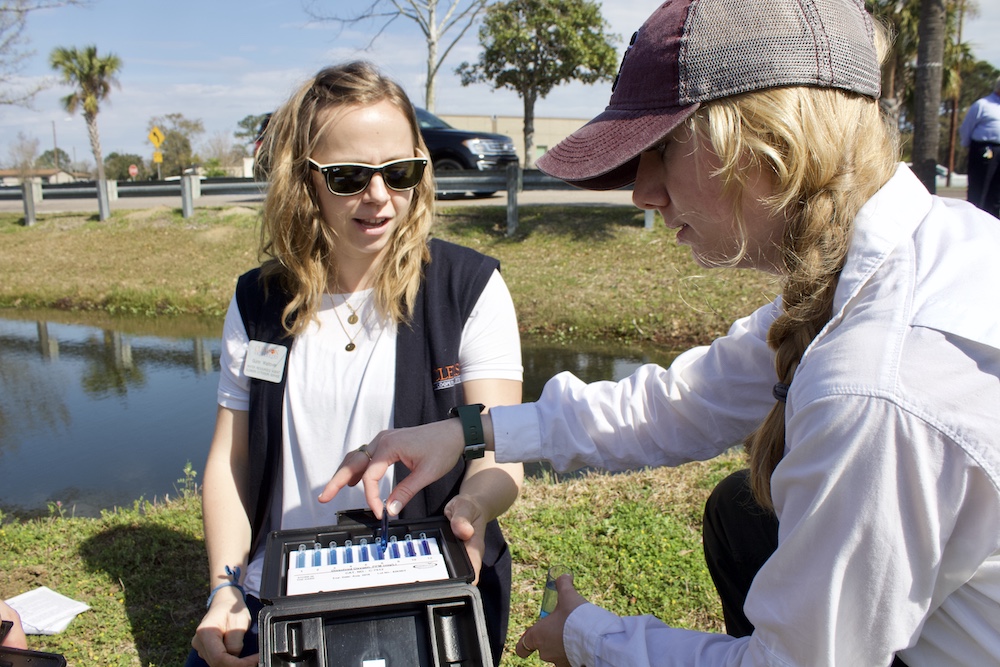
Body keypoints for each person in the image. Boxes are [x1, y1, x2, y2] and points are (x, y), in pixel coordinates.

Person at [323, 0, 1000, 665]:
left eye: (661, 149)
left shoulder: (876, 383)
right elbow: (679, 403)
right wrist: (470, 432)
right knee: (743, 510)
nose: (642, 192)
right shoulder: (902, 255)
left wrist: (587, 636)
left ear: (768, 137)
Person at [186, 61, 524, 667]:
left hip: (423, 587)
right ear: (304, 180)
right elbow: (230, 462)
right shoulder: (257, 302)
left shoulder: (468, 288)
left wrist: (470, 514)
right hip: (279, 594)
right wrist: (225, 588)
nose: (379, 198)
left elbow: (500, 452)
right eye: (347, 177)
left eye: (400, 173)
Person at [959, 75, 1000, 218]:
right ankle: (973, 220)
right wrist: (966, 145)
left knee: (996, 193)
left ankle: (994, 223)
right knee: (979, 189)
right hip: (985, 149)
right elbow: (966, 128)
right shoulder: (983, 105)